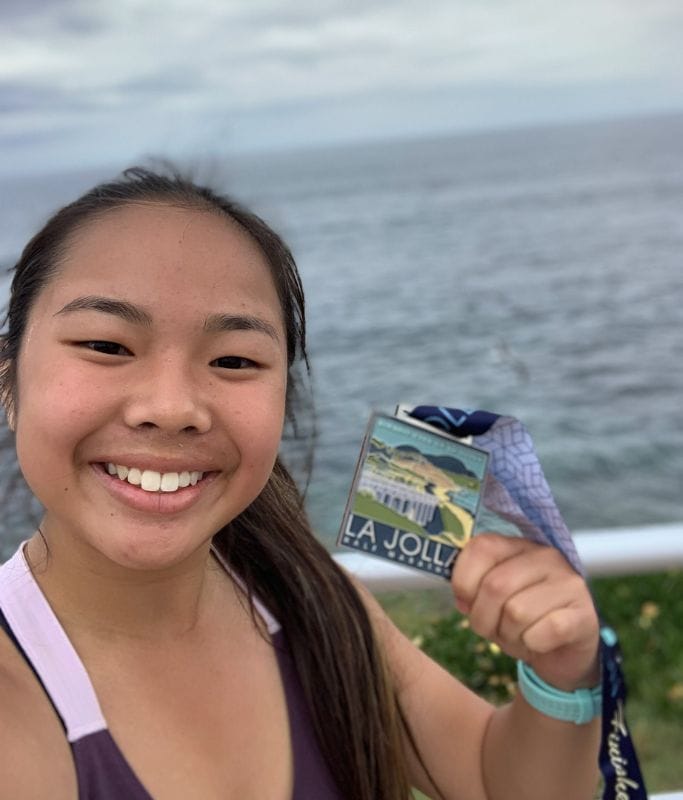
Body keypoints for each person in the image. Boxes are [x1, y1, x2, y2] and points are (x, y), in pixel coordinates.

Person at [0, 167, 601, 800]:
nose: (173, 406)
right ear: (9, 382)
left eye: (234, 360)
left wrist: (561, 677)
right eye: (106, 344)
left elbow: (491, 779)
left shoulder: (309, 597)